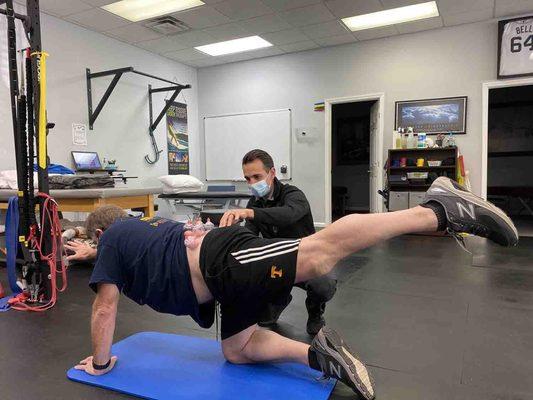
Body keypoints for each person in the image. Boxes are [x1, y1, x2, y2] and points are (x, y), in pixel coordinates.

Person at [74, 177, 518, 400]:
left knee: (318, 253)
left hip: (221, 262)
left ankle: (437, 209)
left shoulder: (113, 239)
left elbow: (104, 308)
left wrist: (100, 362)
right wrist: (86, 252)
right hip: (221, 280)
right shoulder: (140, 229)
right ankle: (320, 354)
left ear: (101, 234)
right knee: (237, 348)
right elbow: (135, 255)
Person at [219, 149, 336, 335]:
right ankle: (279, 299)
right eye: (247, 178)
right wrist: (230, 234)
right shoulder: (255, 202)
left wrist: (250, 213)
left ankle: (315, 312)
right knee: (263, 320)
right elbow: (249, 235)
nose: (252, 183)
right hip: (277, 262)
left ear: (272, 173)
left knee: (323, 286)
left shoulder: (294, 195)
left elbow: (287, 215)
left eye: (256, 176)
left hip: (305, 258)